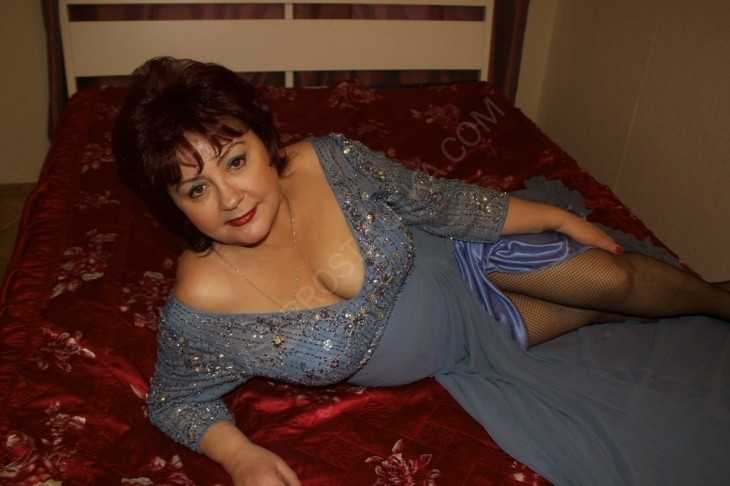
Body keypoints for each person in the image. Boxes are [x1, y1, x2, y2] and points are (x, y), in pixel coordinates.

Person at [113, 57, 730, 486]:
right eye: (196, 188)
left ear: (264, 140)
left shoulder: (329, 161)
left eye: (235, 160)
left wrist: (557, 218)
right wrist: (239, 455)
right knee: (595, 307)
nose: (231, 199)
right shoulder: (203, 300)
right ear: (172, 205)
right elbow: (176, 400)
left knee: (612, 280)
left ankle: (720, 300)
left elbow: (437, 202)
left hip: (460, 260)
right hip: (470, 347)